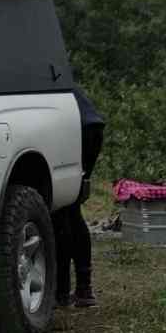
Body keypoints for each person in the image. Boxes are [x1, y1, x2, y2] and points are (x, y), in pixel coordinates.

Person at [55, 87, 105, 308]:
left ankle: (61, 292)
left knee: (62, 211)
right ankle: (82, 289)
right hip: (91, 127)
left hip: (77, 129)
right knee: (71, 209)